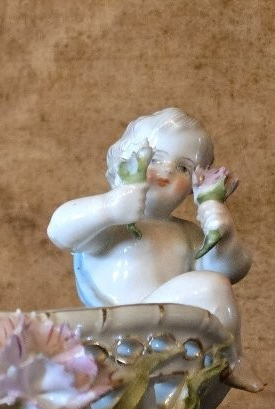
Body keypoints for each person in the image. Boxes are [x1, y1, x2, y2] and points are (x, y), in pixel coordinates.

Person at [46, 108, 259, 391]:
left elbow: (229, 271)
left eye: (183, 168)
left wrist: (221, 230)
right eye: (154, 159)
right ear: (122, 161)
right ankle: (232, 358)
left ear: (192, 187)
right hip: (121, 332)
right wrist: (110, 208)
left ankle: (221, 365)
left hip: (174, 335)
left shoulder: (186, 233)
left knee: (213, 284)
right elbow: (59, 230)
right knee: (211, 285)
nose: (167, 171)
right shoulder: (111, 227)